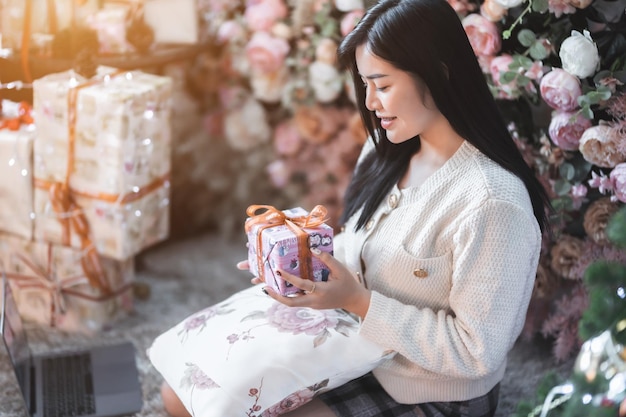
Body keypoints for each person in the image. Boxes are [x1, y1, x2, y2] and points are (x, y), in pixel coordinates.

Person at [160, 0, 553, 415]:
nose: (369, 102)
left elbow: (477, 352)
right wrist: (297, 259)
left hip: (431, 389)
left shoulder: (492, 203)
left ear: (439, 73)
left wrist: (359, 301)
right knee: (183, 395)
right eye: (365, 84)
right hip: (353, 346)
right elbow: (360, 245)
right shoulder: (389, 151)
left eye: (382, 85)